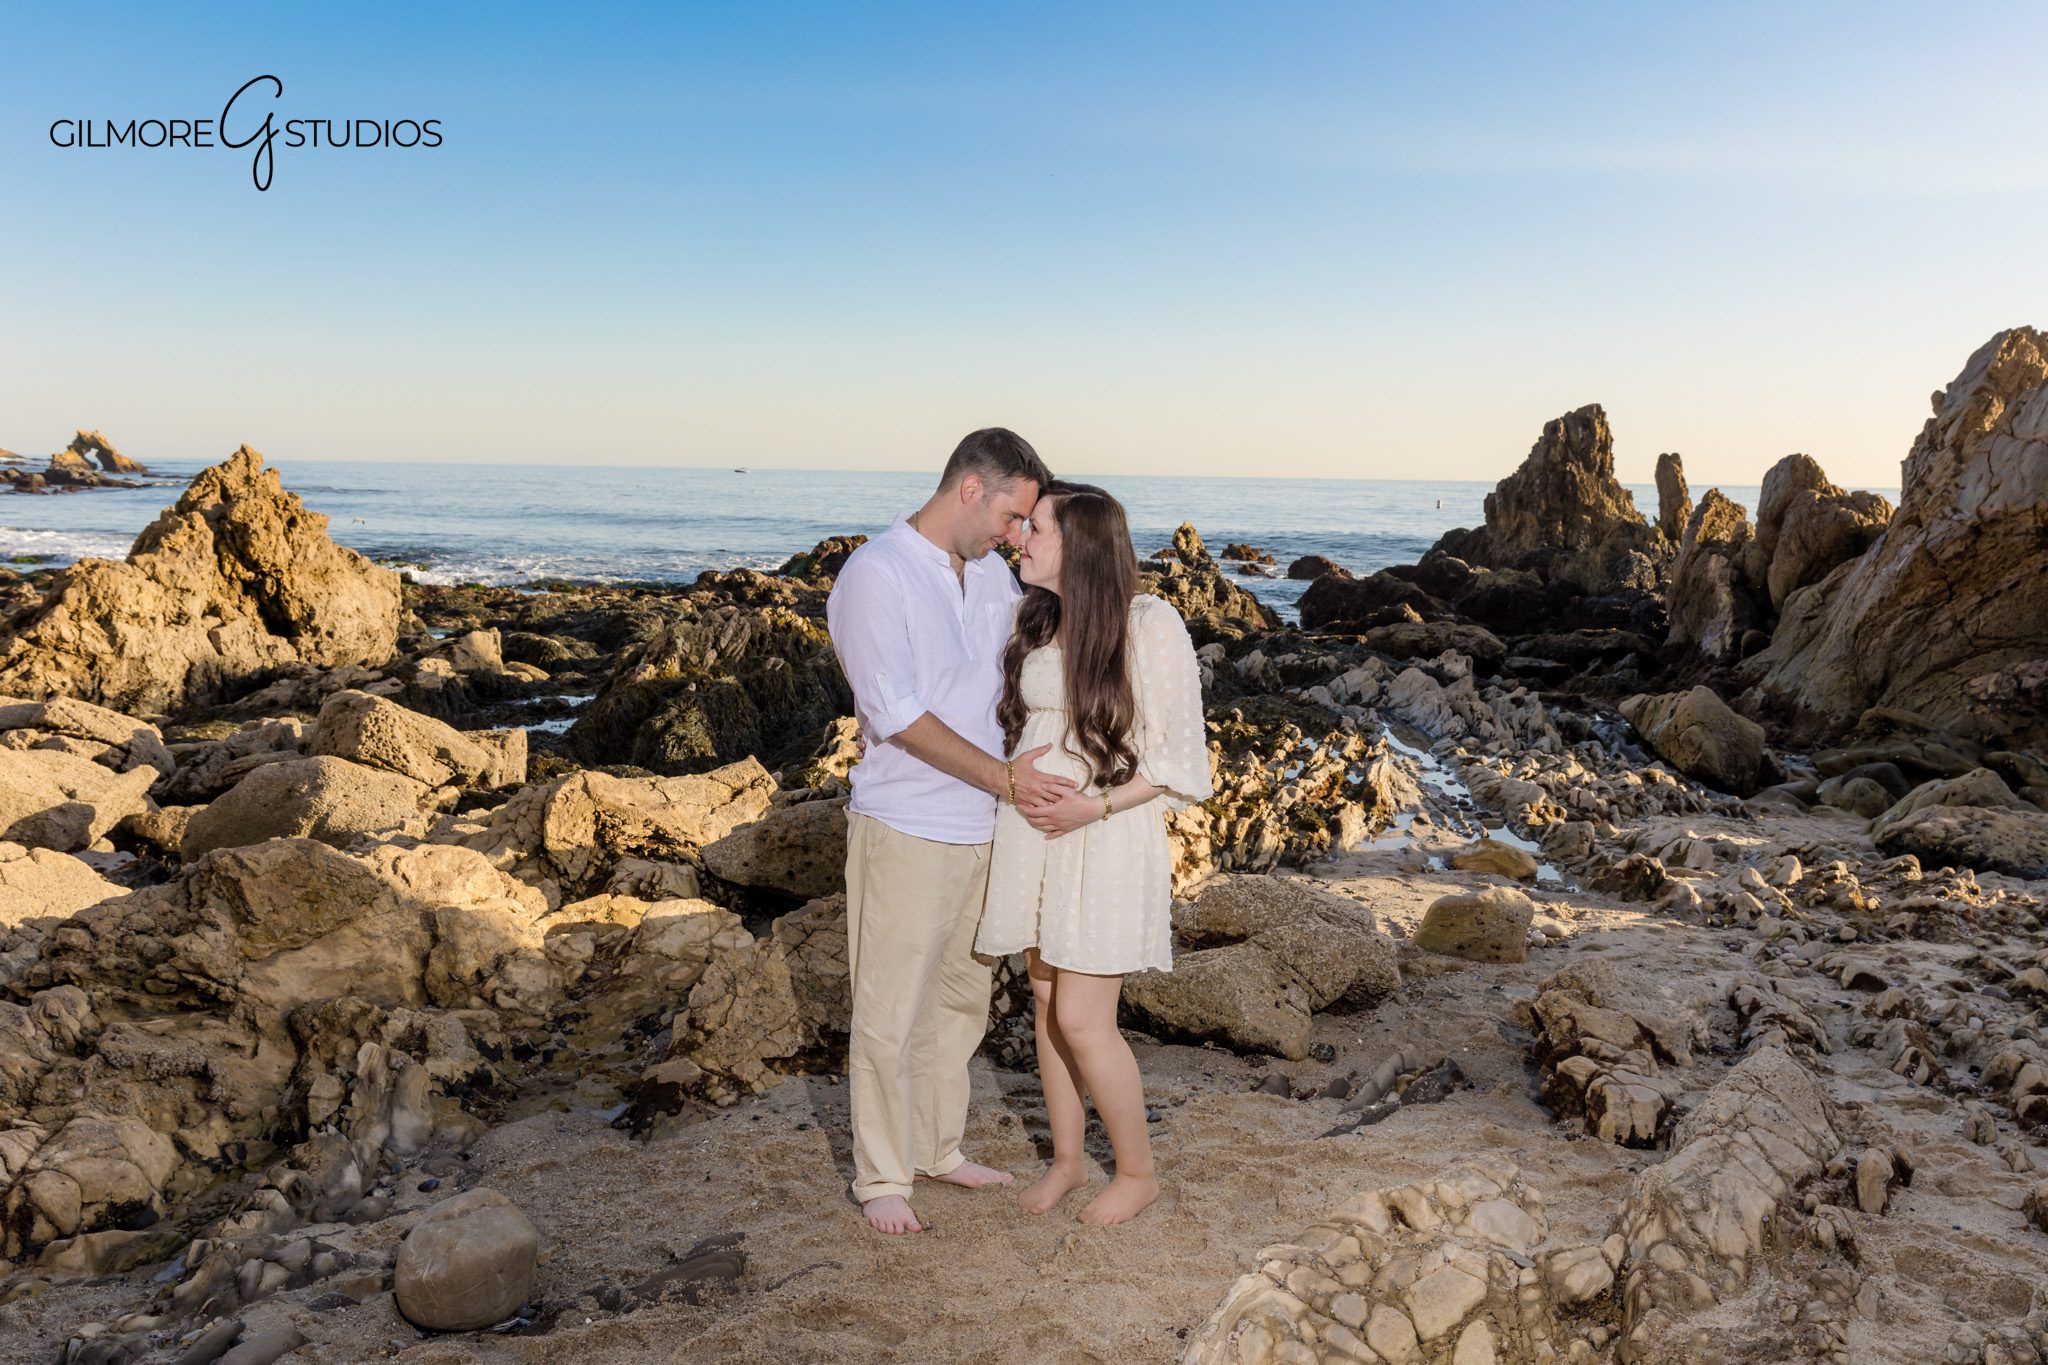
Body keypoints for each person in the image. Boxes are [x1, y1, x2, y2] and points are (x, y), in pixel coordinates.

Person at [825, 427, 1076, 1236]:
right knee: (889, 1011)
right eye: (1011, 513)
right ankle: (883, 1176)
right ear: (970, 486)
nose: (1015, 533)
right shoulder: (876, 574)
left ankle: (937, 1146)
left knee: (961, 1004)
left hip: (987, 828)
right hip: (905, 823)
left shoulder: (994, 580)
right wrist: (1005, 777)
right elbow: (893, 713)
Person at [976, 482, 1213, 1225]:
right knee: (1045, 999)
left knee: (1083, 1015)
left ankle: (1137, 1171)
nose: (1022, 537)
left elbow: (1179, 758)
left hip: (1103, 834)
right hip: (1032, 834)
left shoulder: (1149, 622)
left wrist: (1092, 805)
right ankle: (1069, 1161)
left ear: (1078, 544)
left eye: (1036, 527)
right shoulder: (1036, 618)